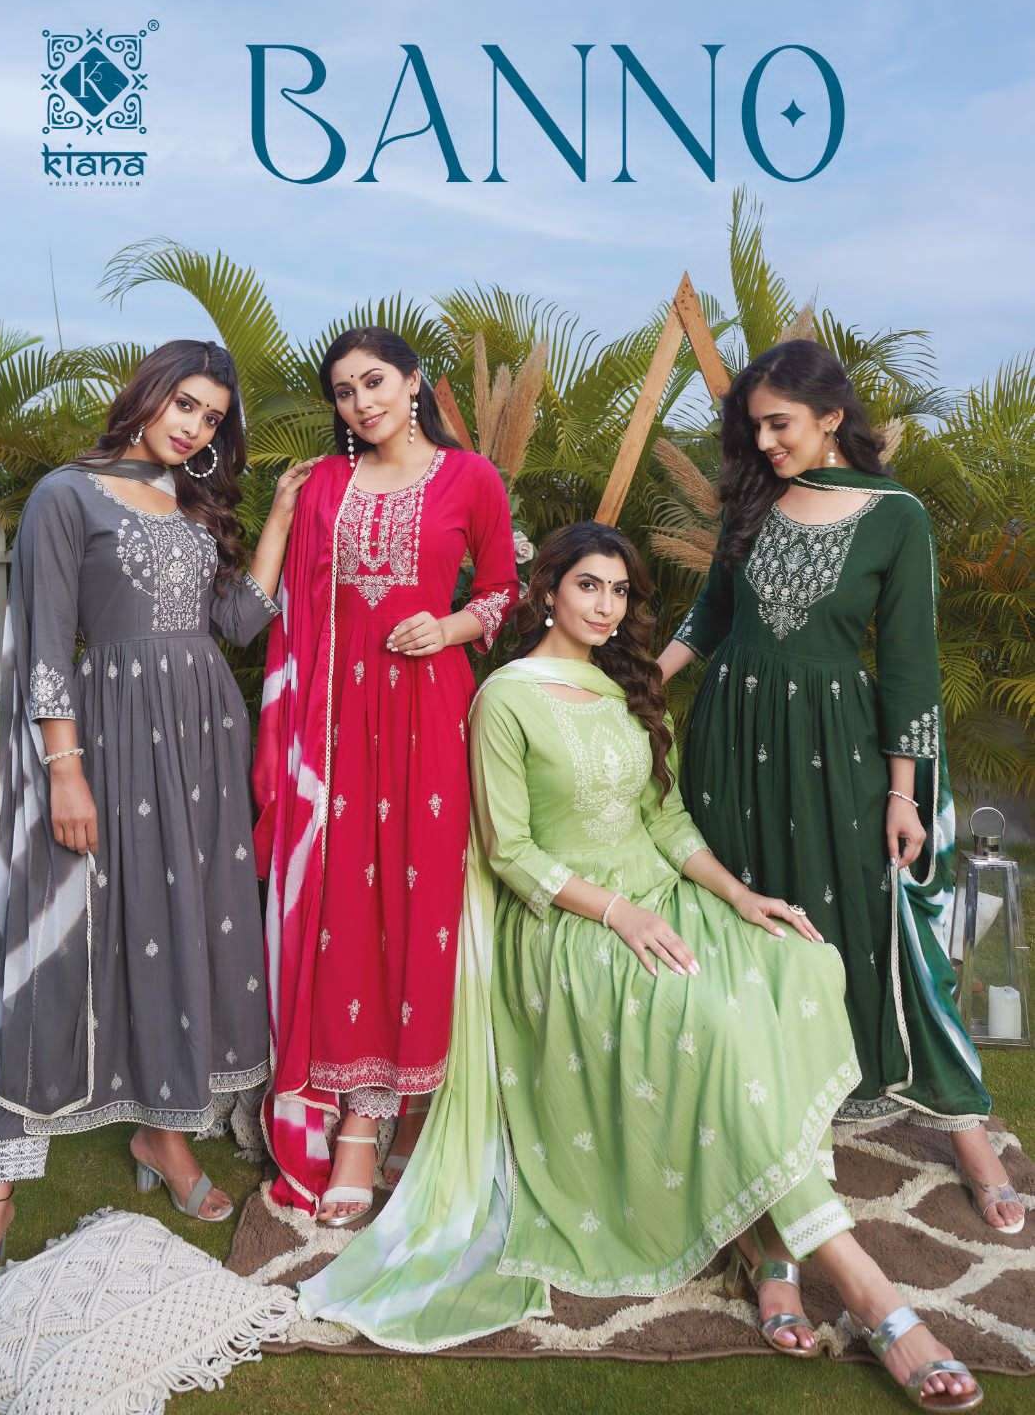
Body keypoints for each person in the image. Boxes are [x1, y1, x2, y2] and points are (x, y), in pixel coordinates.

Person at [299, 523, 982, 1409]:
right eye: (588, 585)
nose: (605, 606)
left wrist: (741, 897)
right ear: (547, 591)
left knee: (801, 966)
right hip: (568, 924)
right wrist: (616, 914)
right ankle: (867, 1293)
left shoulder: (626, 688)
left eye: (619, 592)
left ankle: (769, 1242)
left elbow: (666, 820)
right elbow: (510, 852)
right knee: (711, 1020)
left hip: (664, 895)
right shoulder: (506, 698)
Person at [0, 339, 313, 1309]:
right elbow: (41, 641)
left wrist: (275, 517)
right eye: (184, 403)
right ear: (146, 394)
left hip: (201, 746)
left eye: (211, 416)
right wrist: (64, 770)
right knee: (61, 946)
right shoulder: (66, 495)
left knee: (183, 930)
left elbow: (239, 622)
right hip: (108, 742)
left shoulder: (193, 502)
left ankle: (164, 1135)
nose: (194, 425)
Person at [660, 339, 1022, 1240]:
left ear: (830, 415)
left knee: (877, 918)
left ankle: (964, 1126)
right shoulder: (752, 501)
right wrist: (634, 684)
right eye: (754, 428)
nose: (765, 442)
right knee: (748, 912)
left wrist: (902, 795)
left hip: (833, 743)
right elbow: (709, 617)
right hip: (732, 736)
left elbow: (908, 664)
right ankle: (777, 1096)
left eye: (779, 424)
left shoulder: (896, 517)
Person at [253, 326, 518, 1222]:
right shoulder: (324, 486)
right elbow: (283, 608)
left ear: (413, 384)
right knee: (343, 907)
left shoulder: (470, 479)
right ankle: (355, 1120)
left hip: (429, 715)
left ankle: (406, 1101)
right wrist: (281, 515)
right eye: (343, 391)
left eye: (373, 382)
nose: (360, 403)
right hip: (333, 729)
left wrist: (448, 628)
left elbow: (502, 589)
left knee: (421, 897)